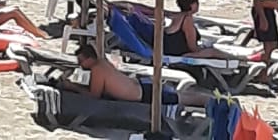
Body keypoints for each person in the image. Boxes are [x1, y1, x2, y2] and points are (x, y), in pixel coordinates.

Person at [61, 43, 208, 107]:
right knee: (182, 96)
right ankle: (212, 99)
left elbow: (94, 96)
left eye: (81, 61)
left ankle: (214, 101)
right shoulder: (102, 62)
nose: (80, 64)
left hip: (142, 94)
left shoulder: (97, 69)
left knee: (184, 99)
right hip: (142, 86)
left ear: (90, 59)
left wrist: (72, 86)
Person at [163, 0, 233, 60]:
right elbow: (192, 47)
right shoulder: (187, 18)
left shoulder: (176, 16)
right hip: (179, 54)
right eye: (196, 2)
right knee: (214, 52)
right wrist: (203, 49)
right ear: (192, 4)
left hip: (169, 51)